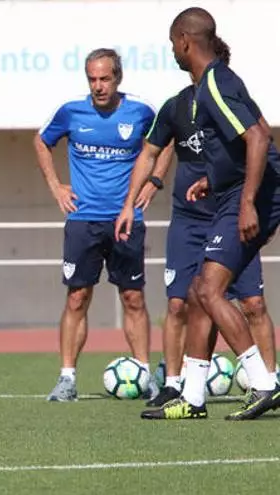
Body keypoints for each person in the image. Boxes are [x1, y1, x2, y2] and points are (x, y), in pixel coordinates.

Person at [132, 7, 280, 420]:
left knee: (211, 290)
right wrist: (213, 181)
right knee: (199, 290)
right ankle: (193, 398)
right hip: (233, 191)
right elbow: (245, 139)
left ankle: (264, 383)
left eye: (172, 44)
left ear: (184, 41)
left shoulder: (215, 83)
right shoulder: (209, 86)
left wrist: (247, 202)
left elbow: (259, 137)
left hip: (252, 196)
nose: (172, 51)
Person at [33, 48, 158, 402]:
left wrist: (155, 181)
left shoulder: (141, 111)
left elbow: (164, 143)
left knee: (133, 298)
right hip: (83, 219)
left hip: (126, 219)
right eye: (92, 79)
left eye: (105, 78)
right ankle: (67, 379)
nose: (98, 86)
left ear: (118, 78)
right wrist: (56, 186)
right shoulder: (71, 111)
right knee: (77, 298)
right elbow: (41, 141)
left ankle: (145, 374)